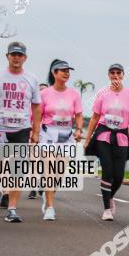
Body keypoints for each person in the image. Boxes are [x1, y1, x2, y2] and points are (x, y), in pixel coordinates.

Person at [0, 41, 42, 223]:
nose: (16, 58)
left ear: (25, 58)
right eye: (13, 54)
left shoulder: (32, 79)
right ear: (7, 56)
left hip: (21, 128)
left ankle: (12, 209)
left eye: (20, 55)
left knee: (18, 169)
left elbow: (37, 107)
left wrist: (36, 132)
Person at [83, 63, 129, 221]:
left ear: (123, 75)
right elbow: (95, 117)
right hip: (104, 135)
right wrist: (87, 139)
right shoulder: (103, 93)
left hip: (121, 136)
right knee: (107, 172)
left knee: (119, 175)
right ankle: (107, 209)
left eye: (118, 73)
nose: (115, 75)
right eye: (112, 73)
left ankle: (110, 196)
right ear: (109, 75)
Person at [37, 60, 83, 221]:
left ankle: (47, 193)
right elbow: (38, 115)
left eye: (68, 71)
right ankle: (50, 207)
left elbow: (78, 115)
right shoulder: (44, 94)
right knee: (49, 169)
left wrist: (78, 129)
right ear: (54, 73)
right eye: (63, 70)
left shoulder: (74, 94)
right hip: (48, 135)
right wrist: (34, 134)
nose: (66, 73)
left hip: (66, 136)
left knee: (59, 173)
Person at [29, 82, 50, 200]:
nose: (42, 92)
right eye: (40, 90)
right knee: (34, 163)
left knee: (46, 163)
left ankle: (43, 183)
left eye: (44, 90)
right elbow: (29, 121)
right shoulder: (33, 106)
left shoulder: (50, 105)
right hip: (35, 137)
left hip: (48, 138)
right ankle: (33, 189)